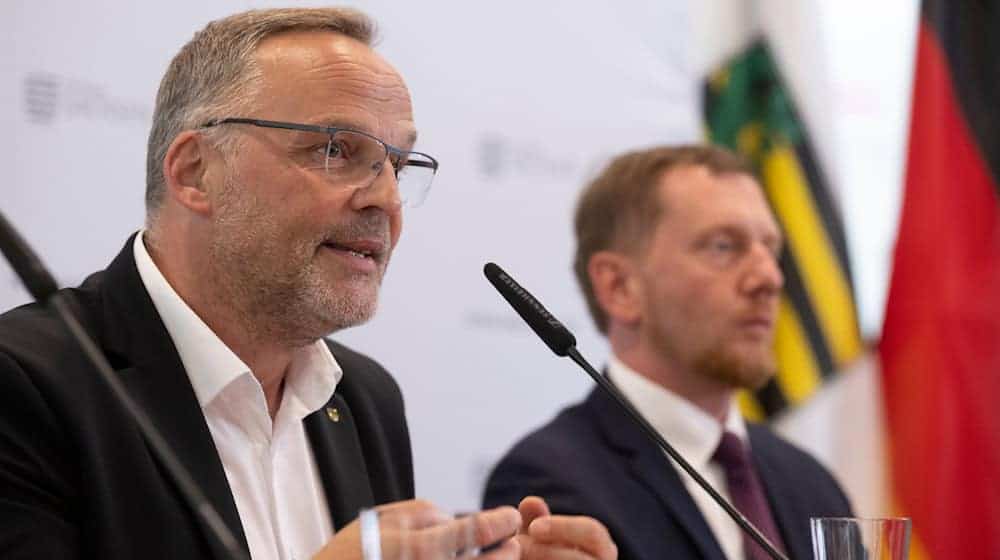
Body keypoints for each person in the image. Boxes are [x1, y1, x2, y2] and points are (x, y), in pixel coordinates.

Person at [0, 8, 617, 560]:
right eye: (335, 150)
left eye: (398, 166)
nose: (384, 200)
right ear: (195, 172)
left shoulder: (365, 400)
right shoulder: (28, 385)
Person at [483, 145, 853, 560]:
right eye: (723, 246)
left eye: (771, 248)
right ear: (619, 287)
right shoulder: (551, 480)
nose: (769, 277)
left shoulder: (812, 483)